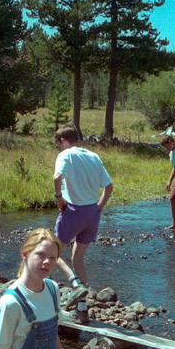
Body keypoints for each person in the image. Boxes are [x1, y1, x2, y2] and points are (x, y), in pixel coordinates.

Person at [53, 123, 113, 324]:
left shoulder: (65, 155)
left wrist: (59, 197)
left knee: (53, 253)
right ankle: (82, 309)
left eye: (58, 144)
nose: (59, 148)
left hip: (73, 211)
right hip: (92, 213)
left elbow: (57, 176)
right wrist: (99, 207)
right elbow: (109, 186)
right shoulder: (93, 156)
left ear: (63, 140)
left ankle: (75, 284)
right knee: (77, 258)